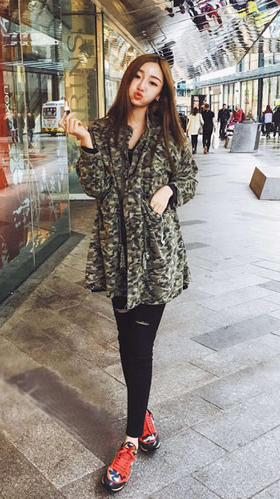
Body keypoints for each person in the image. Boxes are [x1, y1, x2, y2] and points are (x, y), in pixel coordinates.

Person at [66, 53, 198, 493]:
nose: (142, 85)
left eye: (153, 82)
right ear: (127, 80)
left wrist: (171, 189)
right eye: (138, 76)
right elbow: (97, 189)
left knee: (139, 348)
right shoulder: (103, 130)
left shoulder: (169, 133)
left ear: (161, 92)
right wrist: (86, 144)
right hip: (119, 257)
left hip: (157, 258)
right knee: (128, 343)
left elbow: (190, 179)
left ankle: (129, 442)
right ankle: (142, 415)